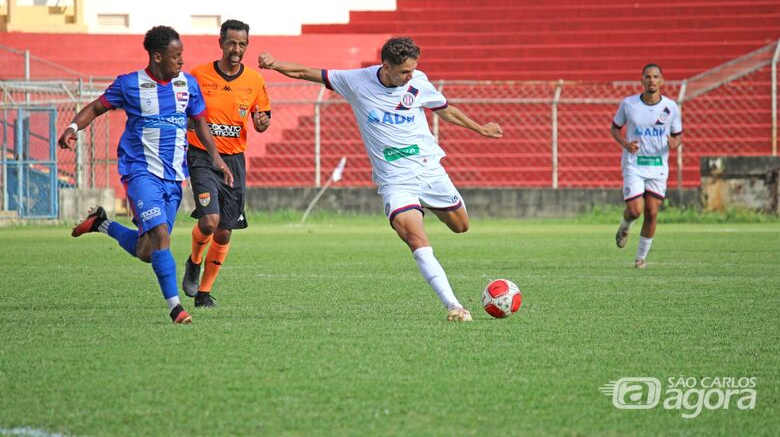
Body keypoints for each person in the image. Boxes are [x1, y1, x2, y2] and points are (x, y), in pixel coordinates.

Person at [258, 37, 503, 322]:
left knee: (461, 226)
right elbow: (306, 73)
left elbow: (445, 110)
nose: (410, 76)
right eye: (404, 72)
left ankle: (424, 204)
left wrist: (480, 128)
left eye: (413, 70)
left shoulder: (419, 82)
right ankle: (454, 306)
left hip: (428, 170)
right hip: (395, 180)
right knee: (415, 237)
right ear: (385, 66)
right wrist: (274, 65)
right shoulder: (356, 82)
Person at [58, 25, 234, 324]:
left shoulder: (187, 85)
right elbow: (97, 107)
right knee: (161, 236)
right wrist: (73, 128)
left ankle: (103, 224)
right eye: (175, 56)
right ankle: (176, 308)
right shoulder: (130, 84)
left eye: (182, 55)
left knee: (147, 250)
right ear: (156, 57)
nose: (181, 61)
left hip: (173, 178)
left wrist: (216, 158)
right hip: (140, 173)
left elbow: (200, 121)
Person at [182, 19, 271, 308]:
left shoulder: (255, 81)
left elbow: (262, 121)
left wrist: (261, 122)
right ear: (220, 42)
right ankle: (194, 262)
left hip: (234, 160)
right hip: (203, 157)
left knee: (225, 229)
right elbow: (184, 113)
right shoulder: (198, 76)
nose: (236, 49)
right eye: (231, 42)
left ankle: (204, 293)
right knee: (209, 221)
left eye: (242, 44)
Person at [611, 63, 682, 269]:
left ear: (662, 81)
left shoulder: (670, 107)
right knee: (635, 211)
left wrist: (675, 143)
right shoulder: (629, 104)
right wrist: (625, 143)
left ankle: (640, 258)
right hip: (635, 164)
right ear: (642, 80)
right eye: (648, 77)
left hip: (658, 166)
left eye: (655, 77)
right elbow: (615, 128)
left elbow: (678, 135)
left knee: (652, 212)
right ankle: (625, 227)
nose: (652, 80)